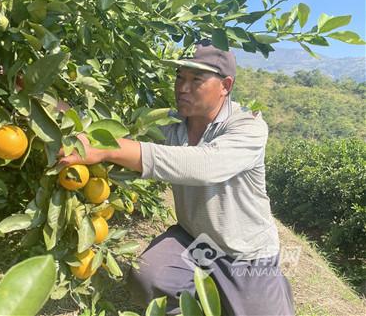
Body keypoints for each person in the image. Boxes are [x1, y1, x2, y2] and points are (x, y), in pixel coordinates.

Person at [57, 39, 295, 316]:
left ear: (225, 86)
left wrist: (108, 149)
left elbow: (205, 166)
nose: (182, 88)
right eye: (180, 77)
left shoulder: (248, 126)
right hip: (198, 241)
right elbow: (105, 127)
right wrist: (50, 105)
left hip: (246, 255)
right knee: (148, 277)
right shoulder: (169, 124)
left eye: (196, 80)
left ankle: (266, 288)